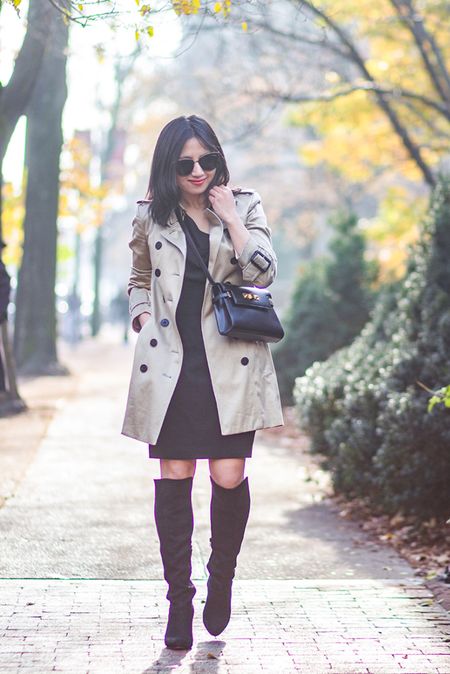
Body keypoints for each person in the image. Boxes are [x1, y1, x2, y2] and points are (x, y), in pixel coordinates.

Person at [121, 114, 283, 650]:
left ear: (218, 160)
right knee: (175, 472)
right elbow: (139, 276)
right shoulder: (152, 215)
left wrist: (231, 217)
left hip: (230, 361)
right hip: (173, 362)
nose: (197, 170)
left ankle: (221, 577)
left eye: (206, 161)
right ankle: (179, 599)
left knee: (230, 473)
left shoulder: (245, 202)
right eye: (186, 162)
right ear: (170, 165)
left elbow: (261, 272)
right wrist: (142, 316)